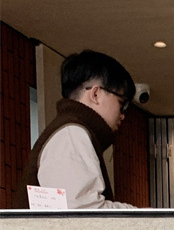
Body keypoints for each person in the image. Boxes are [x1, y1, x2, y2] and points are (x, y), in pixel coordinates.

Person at [13, 49, 137, 210]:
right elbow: (84, 212)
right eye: (122, 103)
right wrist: (141, 215)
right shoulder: (71, 135)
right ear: (96, 94)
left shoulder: (69, 130)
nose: (123, 115)